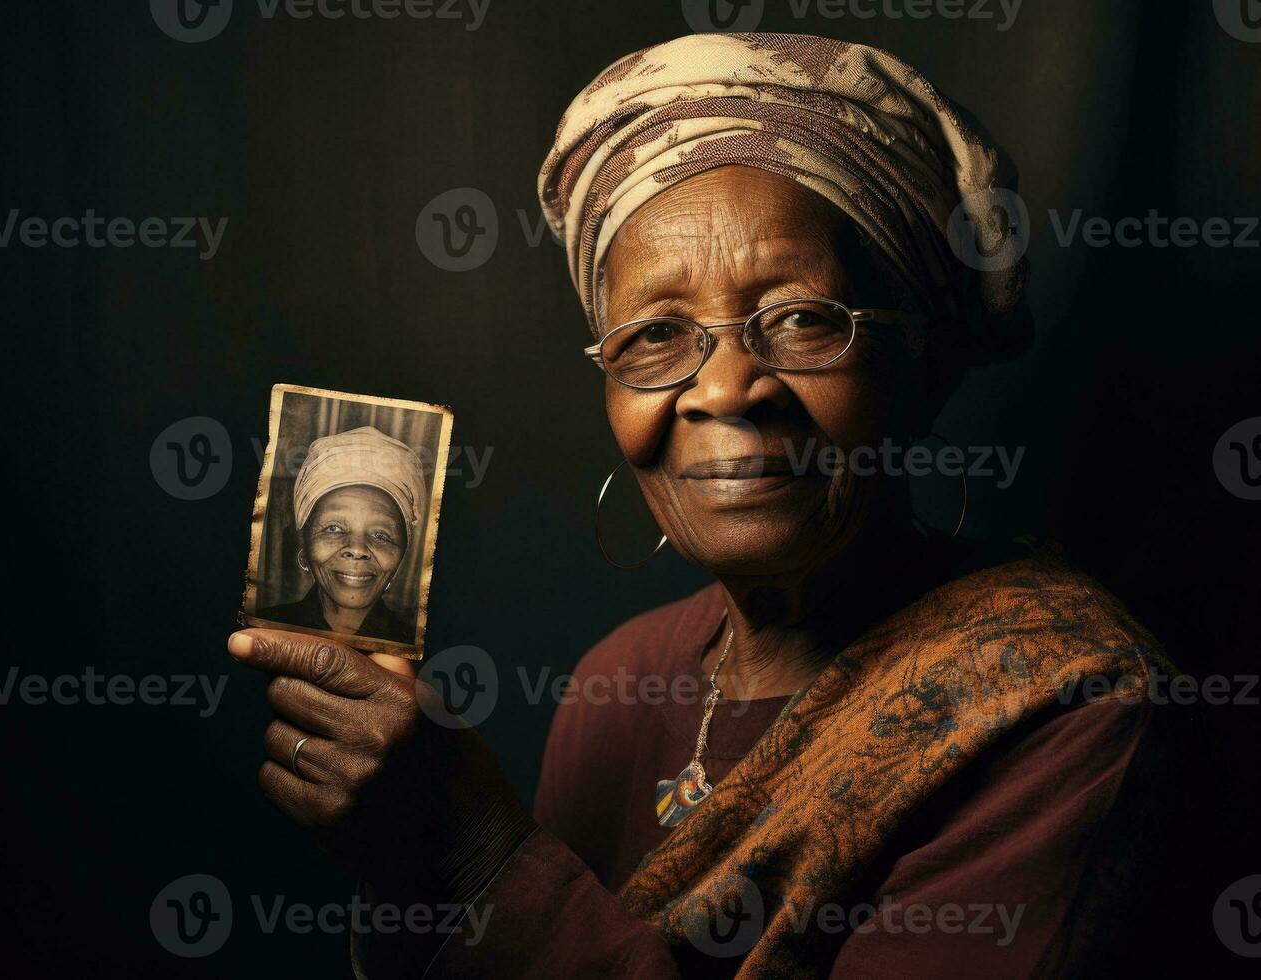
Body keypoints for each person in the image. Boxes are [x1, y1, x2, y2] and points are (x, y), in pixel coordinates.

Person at [227, 34, 1188, 978]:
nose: (727, 388)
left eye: (805, 319)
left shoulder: (1068, 705)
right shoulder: (622, 678)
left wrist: (480, 863)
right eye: (654, 335)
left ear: (922, 366)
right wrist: (408, 862)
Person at [255, 425, 424, 645]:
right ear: (305, 547)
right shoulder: (263, 629)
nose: (357, 549)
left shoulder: (413, 647)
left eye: (381, 535)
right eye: (333, 528)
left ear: (402, 556)